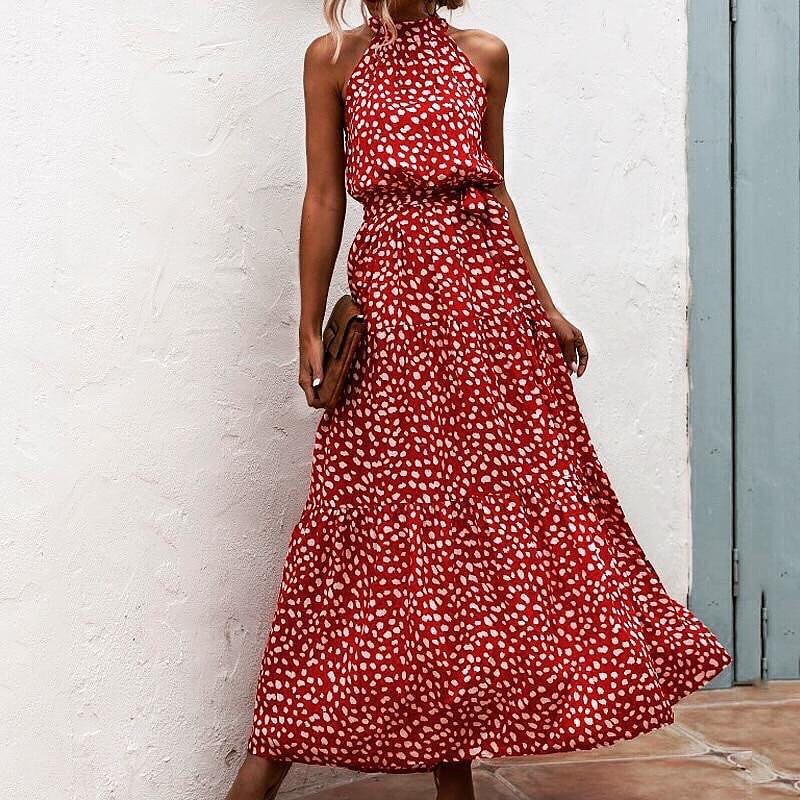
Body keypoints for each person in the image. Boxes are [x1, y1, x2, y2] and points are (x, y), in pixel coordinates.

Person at [225, 1, 732, 798]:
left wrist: (543, 304)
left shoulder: (485, 55)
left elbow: (496, 194)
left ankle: (453, 773)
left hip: (488, 314)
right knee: (385, 517)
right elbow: (324, 195)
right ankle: (280, 753)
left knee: (484, 526)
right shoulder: (332, 59)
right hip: (396, 311)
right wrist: (307, 318)